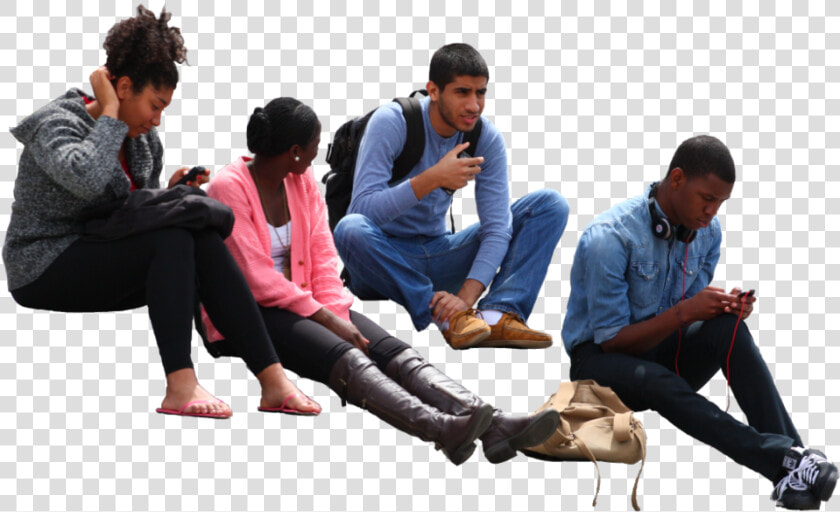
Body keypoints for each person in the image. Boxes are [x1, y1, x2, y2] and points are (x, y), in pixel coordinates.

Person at [203, 97, 560, 464]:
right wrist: (326, 320)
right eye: (314, 145)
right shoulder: (227, 187)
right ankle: (442, 429)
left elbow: (324, 259)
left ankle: (494, 423)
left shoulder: (301, 181)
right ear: (295, 151)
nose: (319, 152)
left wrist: (336, 313)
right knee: (349, 356)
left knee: (392, 351)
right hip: (250, 313)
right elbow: (257, 279)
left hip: (305, 303)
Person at [3, 6, 317, 419]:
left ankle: (272, 378)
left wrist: (171, 194)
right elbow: (84, 178)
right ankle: (180, 384)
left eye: (164, 108)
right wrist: (111, 113)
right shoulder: (56, 124)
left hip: (100, 253)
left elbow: (131, 214)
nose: (157, 119)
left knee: (194, 232)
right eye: (154, 105)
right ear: (124, 86)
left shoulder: (144, 145)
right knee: (172, 235)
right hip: (43, 266)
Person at [561, 135, 837, 509]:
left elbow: (688, 311)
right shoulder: (609, 239)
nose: (712, 212)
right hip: (600, 366)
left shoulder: (708, 233)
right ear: (676, 179)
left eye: (720, 203)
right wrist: (688, 313)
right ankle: (785, 459)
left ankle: (796, 463)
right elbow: (613, 342)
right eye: (707, 199)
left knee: (728, 328)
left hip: (660, 351)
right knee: (659, 379)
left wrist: (722, 309)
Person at [332, 43, 569, 350]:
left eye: (480, 93)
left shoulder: (484, 138)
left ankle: (496, 314)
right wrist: (433, 178)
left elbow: (497, 226)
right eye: (462, 92)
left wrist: (464, 298)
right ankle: (441, 315)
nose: (474, 105)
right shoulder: (392, 121)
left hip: (439, 251)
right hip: (382, 260)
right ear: (434, 90)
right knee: (349, 229)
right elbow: (362, 210)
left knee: (549, 205)